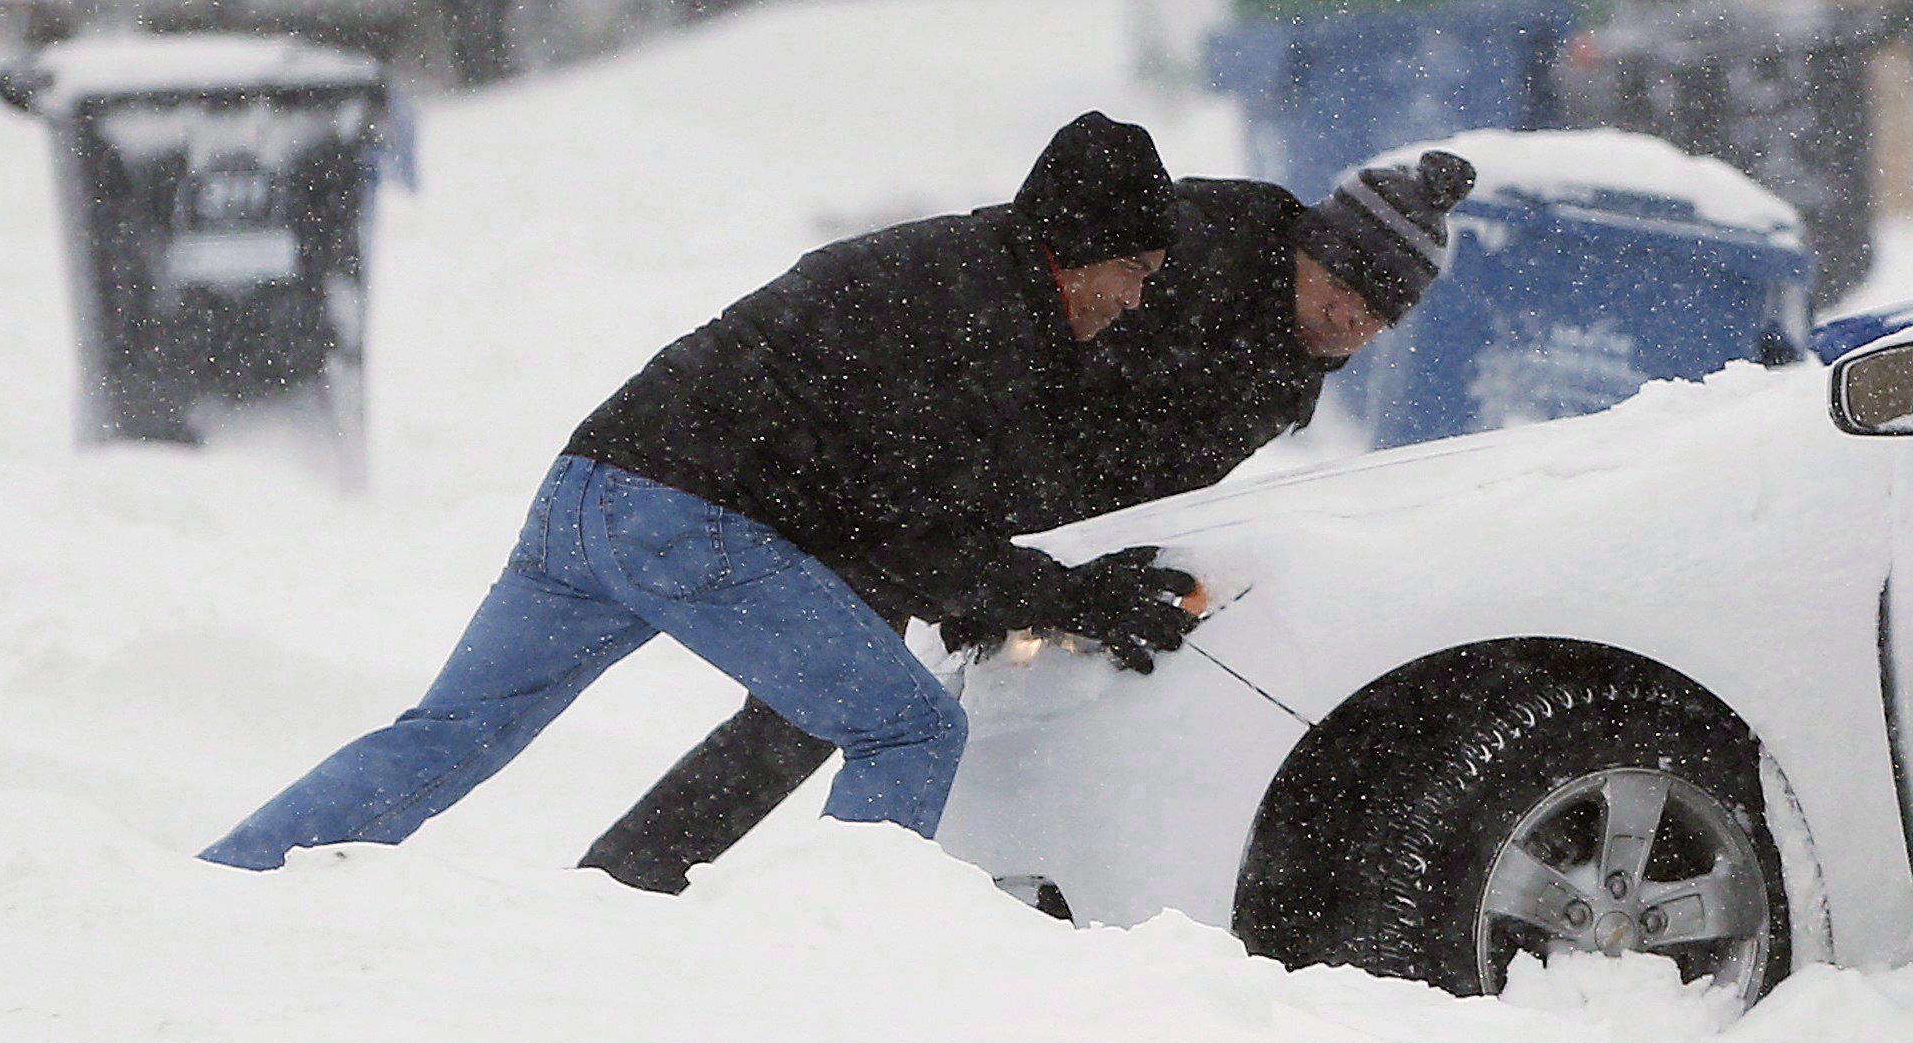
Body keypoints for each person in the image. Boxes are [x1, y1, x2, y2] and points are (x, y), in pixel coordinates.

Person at [200, 112, 1205, 874]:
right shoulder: (982, 315)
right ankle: (838, 961)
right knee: (908, 730)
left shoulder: (955, 272)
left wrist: (1030, 586)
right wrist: (1064, 598)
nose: (1138, 298)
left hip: (592, 488)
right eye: (1136, 270)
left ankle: (224, 889)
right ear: (1078, 245)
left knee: (451, 734)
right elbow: (913, 531)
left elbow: (913, 509)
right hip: (692, 518)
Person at [574, 148, 1482, 894]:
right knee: (832, 707)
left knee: (855, 709)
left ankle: (674, 888)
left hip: (998, 518)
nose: (1353, 323)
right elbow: (1033, 368)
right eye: (1344, 292)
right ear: (1305, 249)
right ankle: (650, 891)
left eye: (1378, 317)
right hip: (919, 471)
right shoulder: (1185, 253)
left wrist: (1061, 573)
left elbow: (1151, 476)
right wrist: (1001, 567)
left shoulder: (1287, 361)